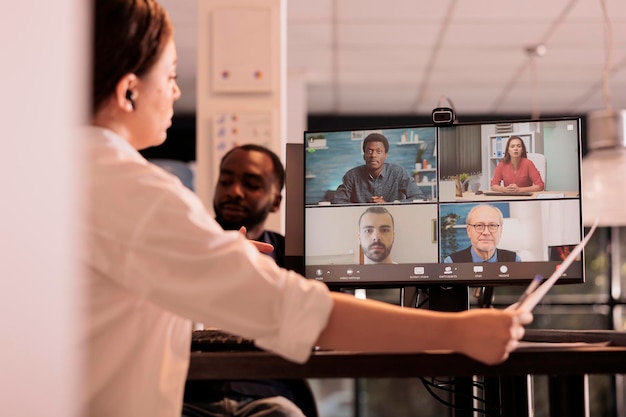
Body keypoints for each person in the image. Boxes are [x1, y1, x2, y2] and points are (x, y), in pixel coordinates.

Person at [84, 1, 532, 416]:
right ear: (129, 92)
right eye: (171, 75)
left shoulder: (62, 175)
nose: (177, 92)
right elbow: (300, 313)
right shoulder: (136, 194)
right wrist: (460, 333)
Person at [183, 144, 312, 417]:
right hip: (189, 393)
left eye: (251, 184)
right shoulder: (186, 248)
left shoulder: (294, 260)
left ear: (276, 201)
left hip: (267, 396)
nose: (234, 192)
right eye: (226, 181)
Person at [331, 133, 425, 204]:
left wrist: (390, 205)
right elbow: (337, 201)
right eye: (369, 151)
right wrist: (360, 208)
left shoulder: (398, 173)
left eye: (379, 151)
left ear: (385, 155)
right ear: (364, 155)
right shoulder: (352, 175)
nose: (373, 155)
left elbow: (419, 198)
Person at [444, 205, 522, 263]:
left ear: (500, 230)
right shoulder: (452, 262)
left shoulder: (514, 260)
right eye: (479, 226)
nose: (486, 232)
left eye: (492, 225)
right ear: (469, 231)